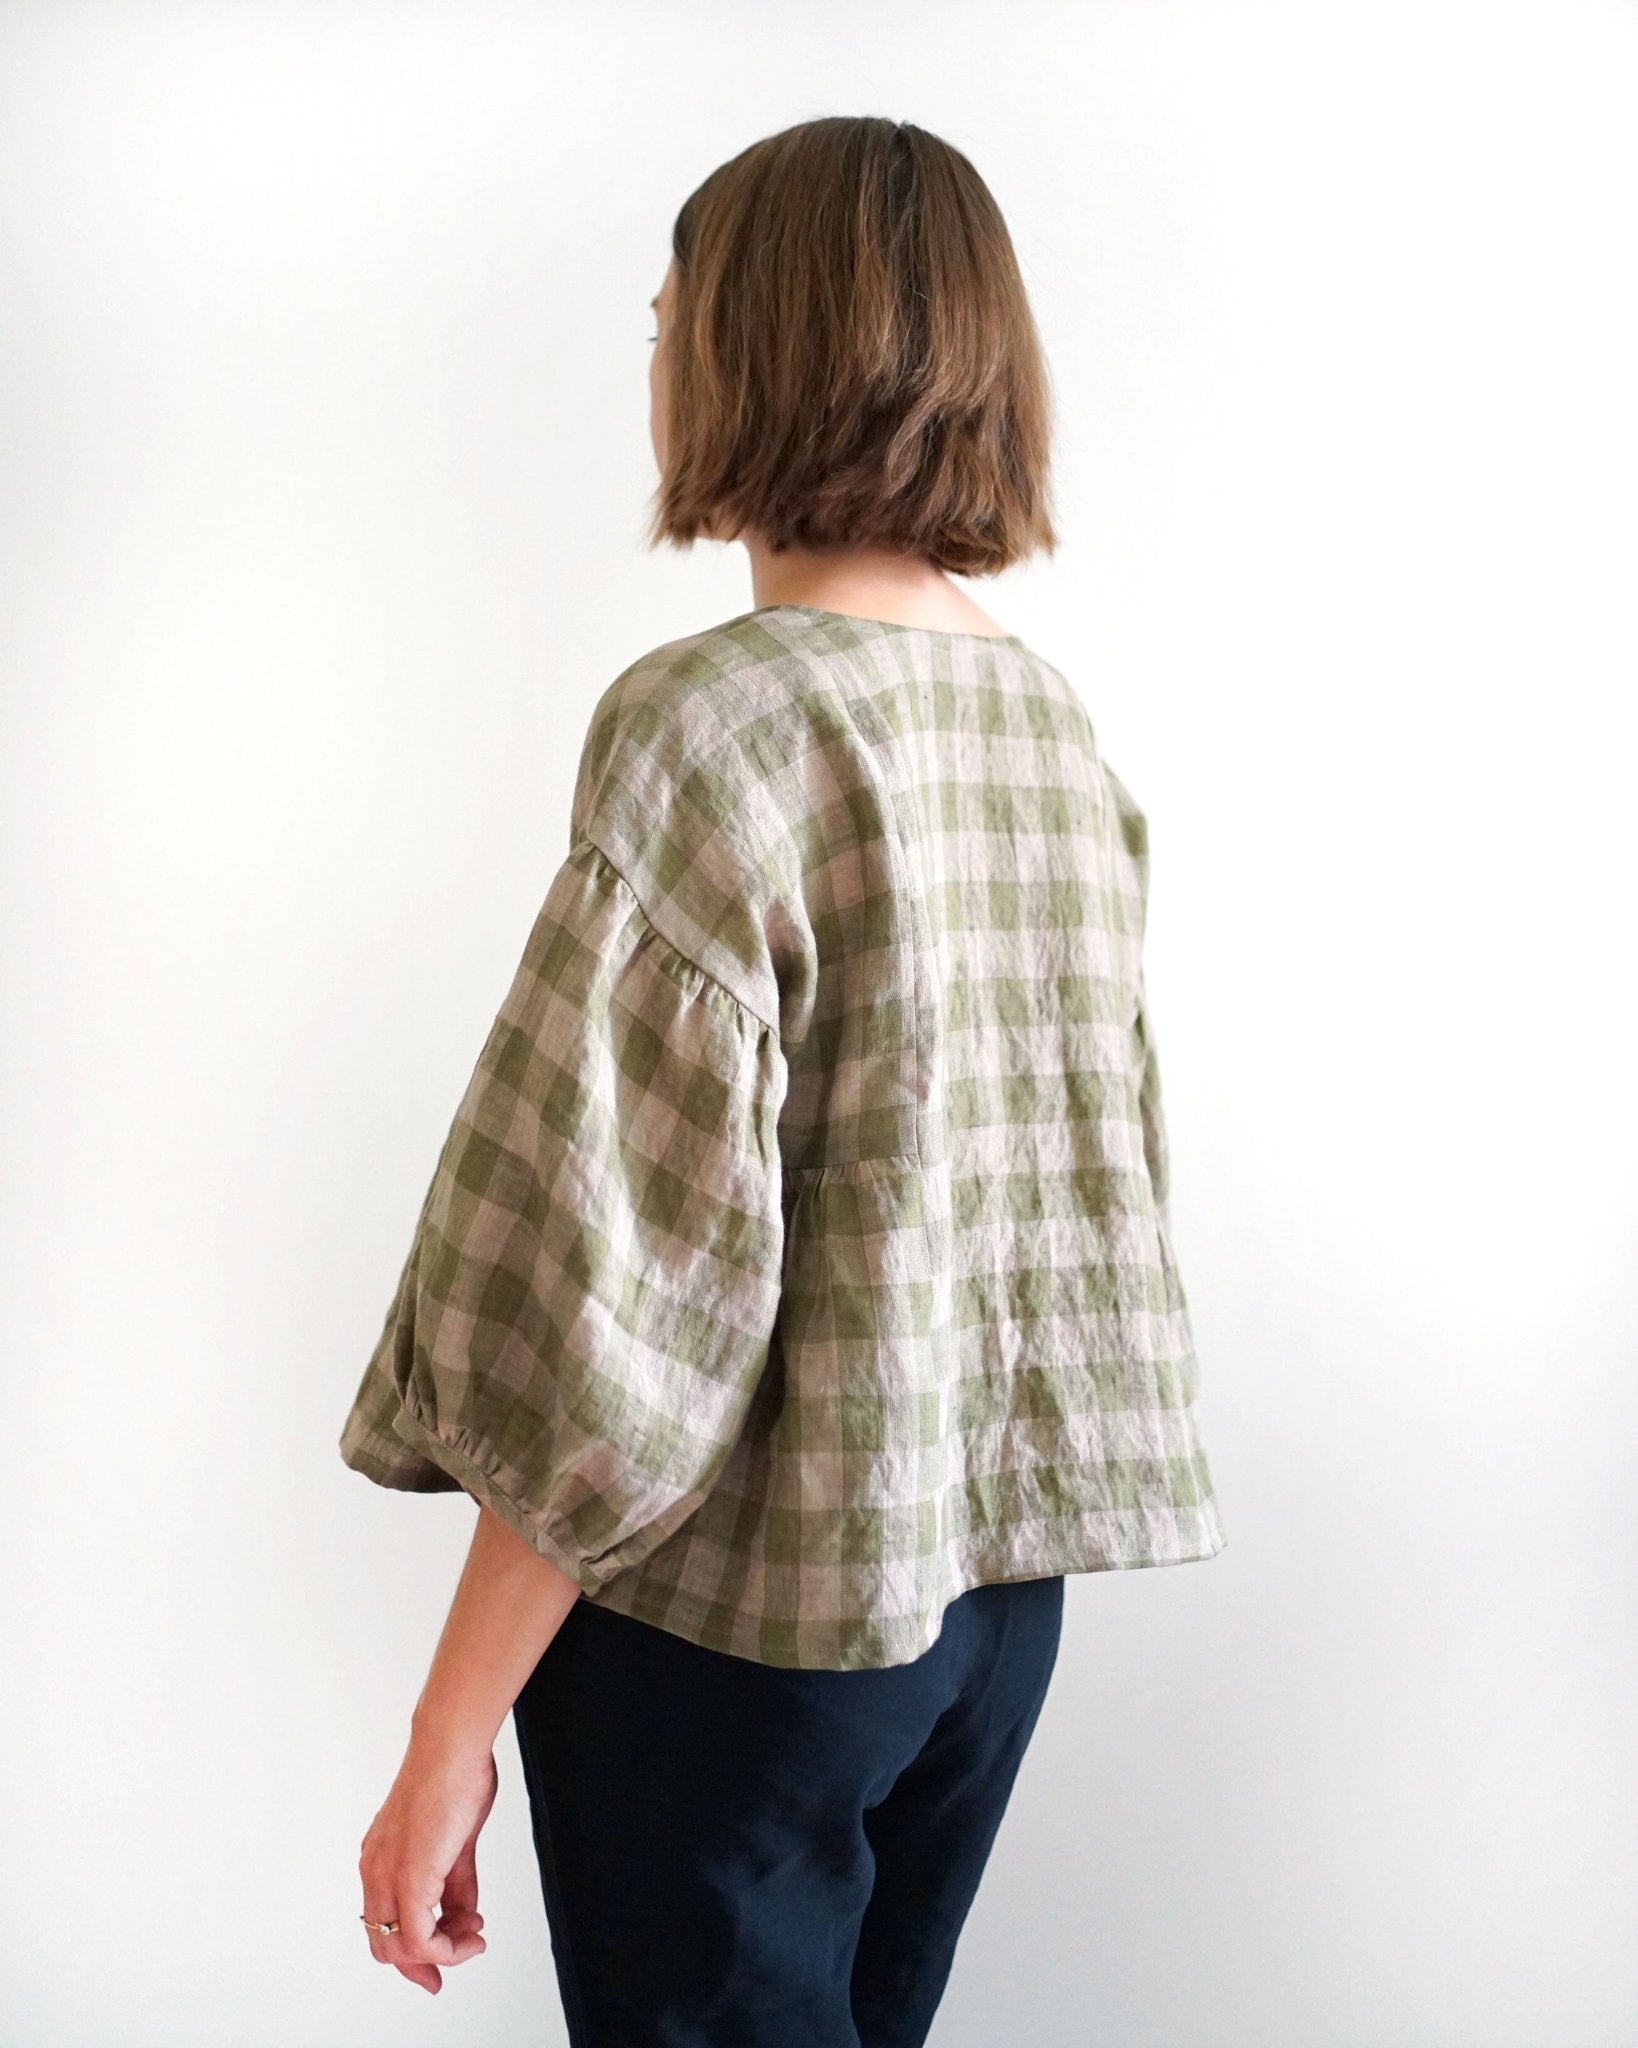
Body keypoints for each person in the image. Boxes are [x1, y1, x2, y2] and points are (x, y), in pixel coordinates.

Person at [339, 114, 1226, 2046]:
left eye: (672, 324)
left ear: (755, 348)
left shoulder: (711, 721)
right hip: (982, 1615)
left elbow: (605, 1295)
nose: (657, 365)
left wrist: (447, 1730)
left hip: (737, 1634)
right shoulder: (1043, 727)